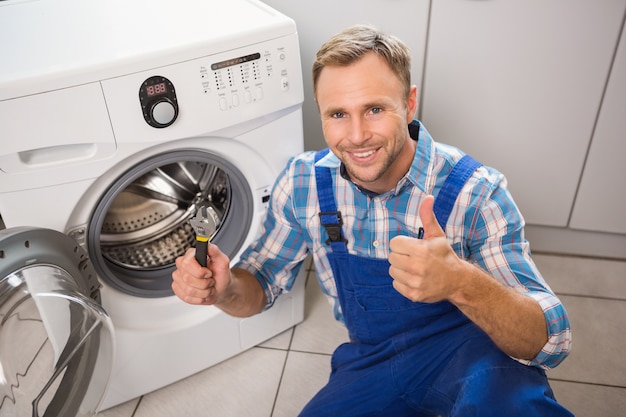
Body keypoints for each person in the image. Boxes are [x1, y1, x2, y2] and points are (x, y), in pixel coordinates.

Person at [172, 25, 573, 416]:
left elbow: (550, 341)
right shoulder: (303, 183)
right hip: (374, 363)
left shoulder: (476, 191)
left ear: (409, 103)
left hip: (473, 354)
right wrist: (223, 290)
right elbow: (260, 284)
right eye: (338, 114)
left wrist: (461, 281)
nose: (357, 135)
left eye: (375, 109)